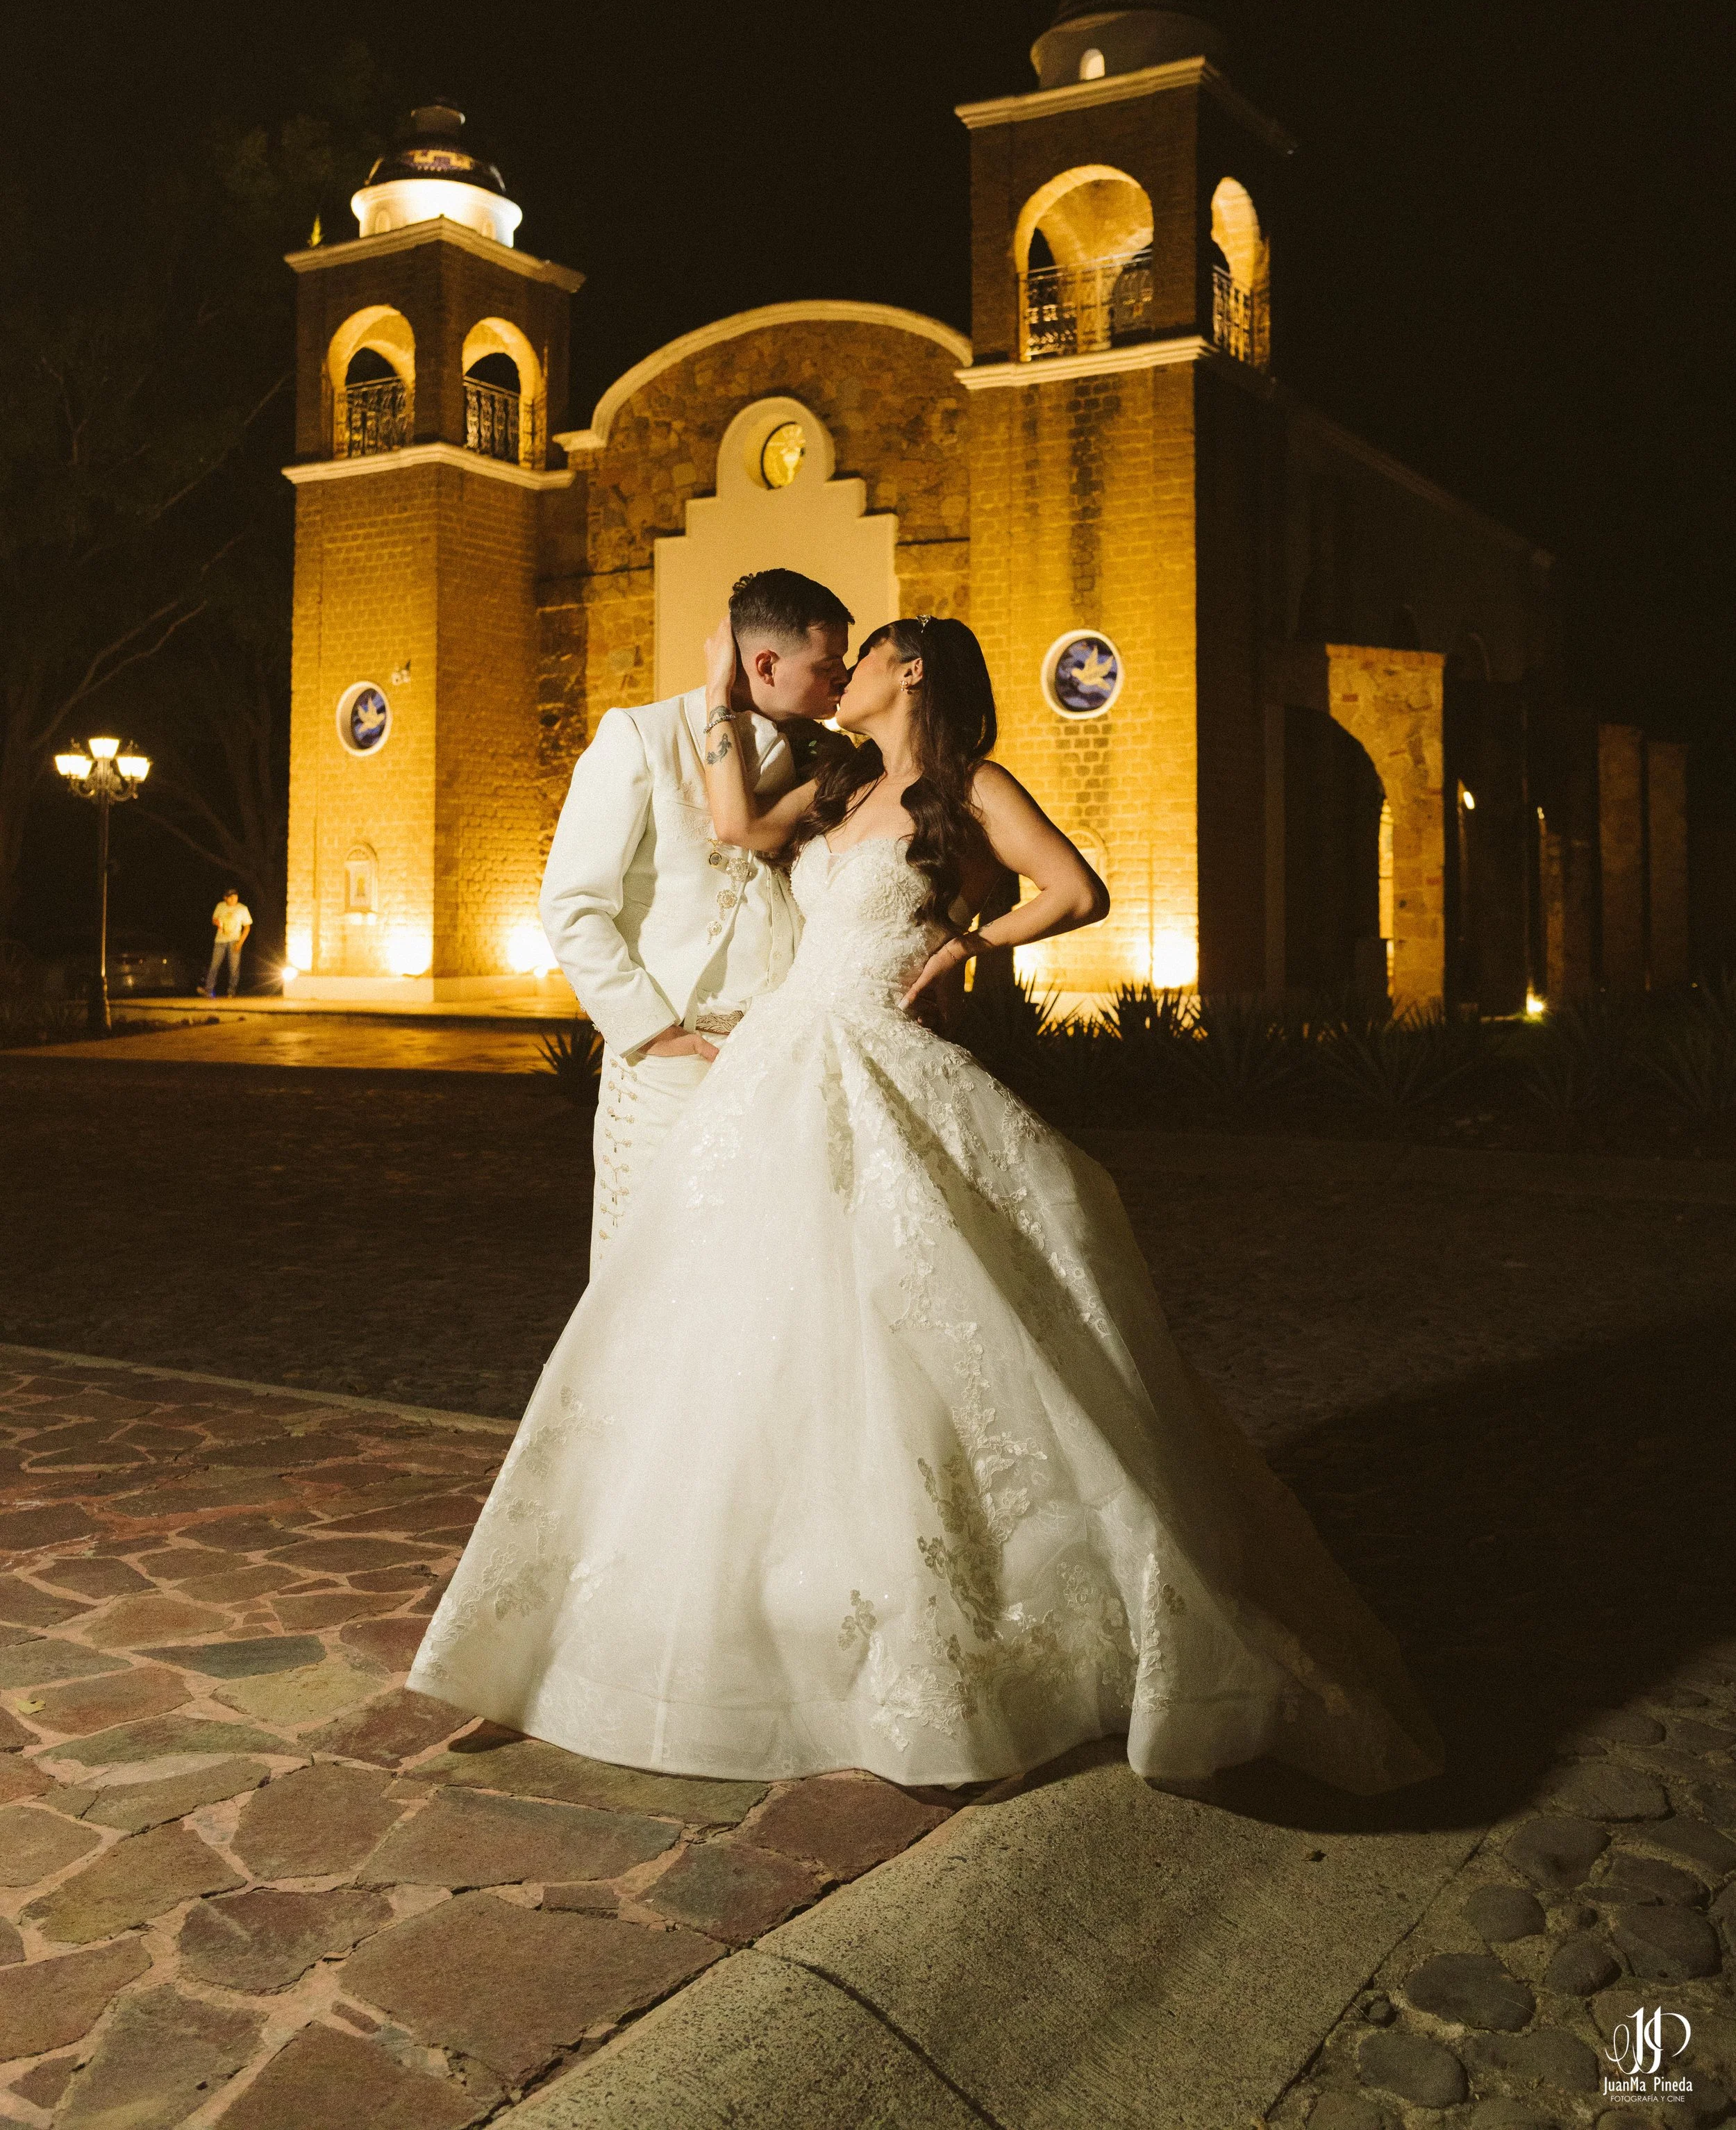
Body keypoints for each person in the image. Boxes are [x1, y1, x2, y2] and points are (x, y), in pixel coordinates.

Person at [409, 610, 1445, 1798]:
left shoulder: (971, 786)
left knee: (918, 1321)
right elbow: (736, 827)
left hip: (880, 1056)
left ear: (909, 669)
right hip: (778, 1067)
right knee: (746, 1326)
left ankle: (951, 1624)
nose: (843, 673)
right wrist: (719, 696)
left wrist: (964, 948)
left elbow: (1078, 889)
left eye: (862, 657)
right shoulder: (838, 784)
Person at [537, 567, 853, 1265]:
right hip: (670, 1063)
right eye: (826, 664)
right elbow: (572, 903)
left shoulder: (830, 759)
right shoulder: (642, 736)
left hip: (780, 1061)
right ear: (765, 664)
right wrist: (650, 1033)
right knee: (647, 1264)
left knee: (759, 1268)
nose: (843, 678)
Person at [201, 890, 252, 997]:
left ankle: (232, 991)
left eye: (235, 897)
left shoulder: (242, 909)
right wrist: (217, 923)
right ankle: (208, 989)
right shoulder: (220, 906)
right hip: (220, 940)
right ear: (225, 898)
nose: (234, 899)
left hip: (235, 940)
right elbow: (214, 919)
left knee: (234, 968)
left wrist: (240, 943)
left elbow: (247, 927)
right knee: (214, 965)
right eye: (231, 897)